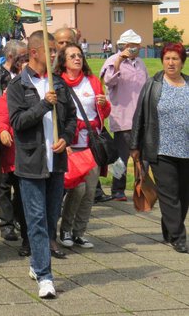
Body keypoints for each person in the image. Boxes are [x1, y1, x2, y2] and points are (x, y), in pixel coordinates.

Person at [7, 30, 77, 299]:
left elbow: (70, 118)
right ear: (34, 52)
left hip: (55, 161)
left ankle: (37, 264)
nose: (54, 55)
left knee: (50, 220)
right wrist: (43, 107)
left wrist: (66, 138)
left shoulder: (59, 84)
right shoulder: (17, 86)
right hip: (30, 163)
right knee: (35, 220)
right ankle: (46, 277)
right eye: (49, 50)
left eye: (54, 50)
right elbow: (18, 123)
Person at [130, 43, 189, 254]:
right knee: (169, 194)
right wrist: (135, 145)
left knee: (184, 196)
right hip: (160, 149)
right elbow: (140, 116)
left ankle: (169, 227)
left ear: (183, 62)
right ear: (162, 61)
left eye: (175, 59)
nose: (171, 63)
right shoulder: (153, 84)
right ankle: (179, 237)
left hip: (186, 149)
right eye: (167, 58)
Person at [55, 43, 111, 250]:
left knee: (89, 194)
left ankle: (79, 232)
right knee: (77, 190)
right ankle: (66, 230)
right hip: (70, 146)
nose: (77, 59)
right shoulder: (58, 83)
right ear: (64, 61)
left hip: (91, 146)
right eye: (72, 56)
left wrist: (104, 105)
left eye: (79, 55)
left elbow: (103, 114)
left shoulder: (93, 81)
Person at [99, 29, 148, 201]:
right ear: (124, 46)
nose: (136, 49)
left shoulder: (141, 63)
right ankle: (117, 189)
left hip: (141, 117)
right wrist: (120, 60)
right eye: (133, 46)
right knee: (122, 155)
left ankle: (141, 188)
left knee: (142, 156)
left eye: (138, 45)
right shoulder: (112, 60)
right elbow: (109, 81)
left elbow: (146, 87)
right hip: (122, 117)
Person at [0, 39, 27, 241]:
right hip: (7, 145)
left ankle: (18, 221)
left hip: (27, 149)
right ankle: (7, 224)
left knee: (22, 191)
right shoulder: (5, 80)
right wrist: (1, 129)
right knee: (3, 187)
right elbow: (0, 110)